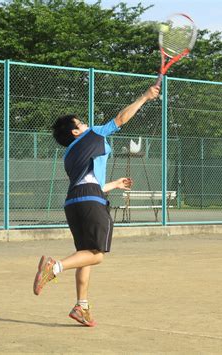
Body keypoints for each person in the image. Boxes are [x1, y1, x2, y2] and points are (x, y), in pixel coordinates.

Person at [33, 85, 160, 327]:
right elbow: (121, 119)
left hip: (74, 201)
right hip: (90, 199)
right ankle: (54, 267)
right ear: (75, 132)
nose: (86, 125)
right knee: (97, 255)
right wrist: (145, 96)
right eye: (81, 123)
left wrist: (114, 184)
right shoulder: (92, 136)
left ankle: (82, 306)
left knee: (85, 255)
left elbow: (90, 183)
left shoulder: (69, 155)